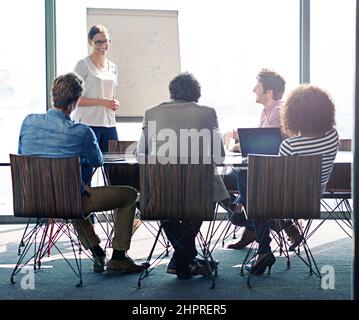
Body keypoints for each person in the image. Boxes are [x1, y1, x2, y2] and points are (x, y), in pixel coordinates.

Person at [18, 73, 144, 274]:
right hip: (69, 201)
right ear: (76, 102)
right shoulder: (81, 132)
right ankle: (119, 257)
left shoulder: (28, 122)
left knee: (71, 192)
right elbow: (97, 161)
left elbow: (23, 153)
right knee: (129, 195)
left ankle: (97, 251)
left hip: (32, 199)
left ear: (53, 95)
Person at [137, 72, 230, 279]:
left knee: (163, 205)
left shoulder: (151, 112)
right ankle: (186, 257)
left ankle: (182, 258)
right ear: (197, 93)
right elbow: (220, 157)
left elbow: (140, 155)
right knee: (205, 192)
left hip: (160, 193)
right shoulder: (208, 112)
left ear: (171, 93)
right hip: (198, 193)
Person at [250, 84, 339, 275]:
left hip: (285, 204)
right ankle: (281, 228)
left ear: (293, 114)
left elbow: (278, 184)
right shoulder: (333, 137)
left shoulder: (290, 146)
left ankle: (263, 248)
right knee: (252, 197)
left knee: (249, 186)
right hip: (313, 200)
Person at [227, 68, 300, 249]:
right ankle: (281, 224)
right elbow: (258, 140)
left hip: (274, 176)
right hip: (263, 172)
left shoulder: (278, 112)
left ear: (269, 91)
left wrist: (239, 145)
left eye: (257, 87)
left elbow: (267, 146)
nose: (253, 90)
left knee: (234, 181)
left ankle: (254, 225)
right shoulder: (267, 111)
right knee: (230, 179)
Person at [71, 25, 120, 185]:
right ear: (90, 42)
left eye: (105, 42)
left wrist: (113, 103)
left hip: (109, 123)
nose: (102, 46)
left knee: (114, 170)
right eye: (98, 42)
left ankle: (117, 207)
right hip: (87, 124)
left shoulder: (112, 67)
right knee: (85, 171)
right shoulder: (82, 65)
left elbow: (109, 94)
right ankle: (85, 209)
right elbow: (74, 99)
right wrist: (103, 102)